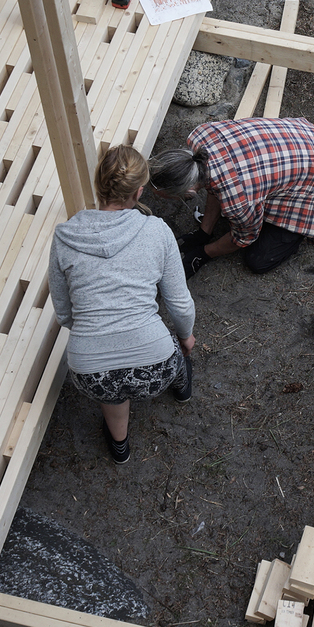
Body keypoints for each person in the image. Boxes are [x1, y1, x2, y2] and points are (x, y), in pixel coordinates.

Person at [48, 145, 195, 465]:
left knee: (112, 391)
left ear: (98, 184)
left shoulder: (65, 236)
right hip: (156, 367)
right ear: (139, 191)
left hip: (90, 373)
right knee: (176, 349)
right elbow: (179, 304)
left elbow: (64, 313)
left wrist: (98, 333)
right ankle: (182, 389)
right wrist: (186, 336)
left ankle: (120, 447)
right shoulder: (157, 230)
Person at [149, 117, 314, 277]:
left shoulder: (238, 199)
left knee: (258, 261)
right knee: (240, 199)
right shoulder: (203, 136)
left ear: (190, 193)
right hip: (308, 138)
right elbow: (214, 184)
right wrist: (204, 233)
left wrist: (204, 253)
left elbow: (244, 238)